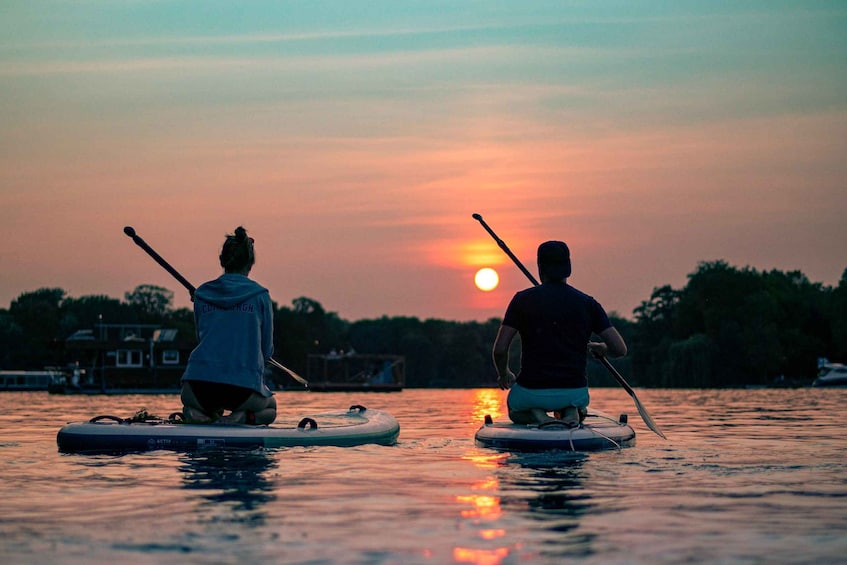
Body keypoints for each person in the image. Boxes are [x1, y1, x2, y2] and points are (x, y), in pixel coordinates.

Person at [492, 240, 627, 427]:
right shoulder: (588, 303)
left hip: (531, 390)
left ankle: (538, 415)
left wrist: (504, 373)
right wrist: (602, 348)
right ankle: (571, 411)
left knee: (515, 411)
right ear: (568, 268)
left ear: (540, 268)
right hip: (574, 391)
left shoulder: (522, 300)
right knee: (579, 408)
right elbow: (619, 349)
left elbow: (500, 349)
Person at [180, 226, 277, 425]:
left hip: (196, 387)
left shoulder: (201, 295)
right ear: (250, 263)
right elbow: (266, 350)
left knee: (192, 404)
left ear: (222, 261)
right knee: (270, 408)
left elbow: (202, 338)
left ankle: (197, 413)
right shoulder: (260, 296)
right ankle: (241, 417)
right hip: (241, 390)